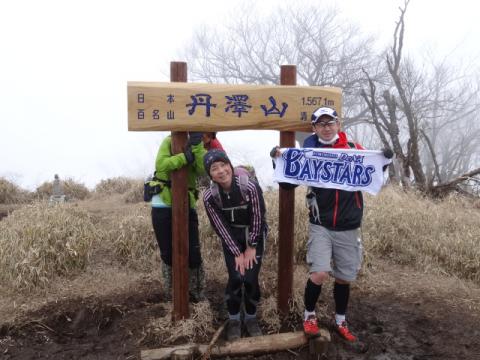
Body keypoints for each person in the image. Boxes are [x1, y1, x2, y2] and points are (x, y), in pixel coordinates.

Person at [270, 107, 393, 349]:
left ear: (338, 124)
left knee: (345, 278)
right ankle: (309, 315)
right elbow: (286, 185)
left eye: (330, 123)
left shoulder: (355, 150)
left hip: (349, 225)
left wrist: (386, 159)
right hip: (321, 223)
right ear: (314, 128)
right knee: (319, 273)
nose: (326, 127)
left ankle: (340, 320)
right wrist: (277, 159)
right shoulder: (309, 153)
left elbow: (376, 174)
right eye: (321, 124)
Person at [202, 149, 267, 341]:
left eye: (224, 165)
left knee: (250, 278)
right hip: (231, 236)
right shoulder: (210, 196)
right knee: (236, 277)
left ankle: (251, 317)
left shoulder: (249, 186)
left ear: (230, 166)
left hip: (253, 233)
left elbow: (258, 215)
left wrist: (251, 246)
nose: (221, 171)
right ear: (210, 174)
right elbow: (220, 226)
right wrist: (236, 251)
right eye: (214, 168)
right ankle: (234, 319)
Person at [150, 132, 206, 302]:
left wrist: (196, 147)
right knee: (168, 253)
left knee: (194, 253)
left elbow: (203, 169)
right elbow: (161, 165)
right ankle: (172, 294)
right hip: (163, 204)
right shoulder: (169, 141)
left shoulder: (198, 144)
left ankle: (196, 294)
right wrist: (184, 157)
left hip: (187, 203)